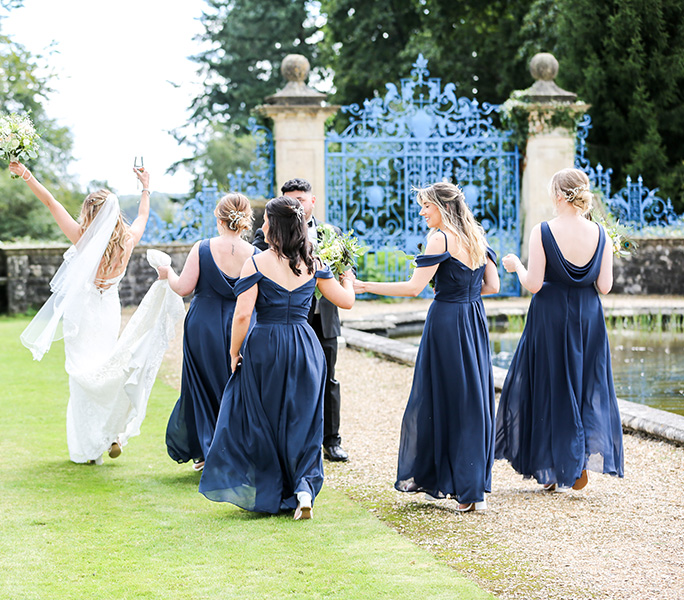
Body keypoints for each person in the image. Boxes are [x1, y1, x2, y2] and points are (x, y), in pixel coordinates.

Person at [11, 161, 184, 465]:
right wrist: (145, 187)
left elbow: (51, 202)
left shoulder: (82, 237)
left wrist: (27, 175)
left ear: (90, 214)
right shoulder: (128, 240)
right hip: (108, 310)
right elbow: (143, 215)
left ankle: (90, 447)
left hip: (83, 311)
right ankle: (113, 434)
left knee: (81, 375)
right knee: (107, 367)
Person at [199, 196, 355, 520]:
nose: (263, 225)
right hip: (305, 347)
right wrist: (349, 278)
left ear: (276, 227)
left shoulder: (256, 263)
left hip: (266, 345)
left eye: (267, 221)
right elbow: (346, 301)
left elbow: (242, 316)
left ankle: (271, 486)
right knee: (304, 420)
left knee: (264, 419)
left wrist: (233, 353)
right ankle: (303, 489)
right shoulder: (315, 264)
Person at [354, 182, 500, 512]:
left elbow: (413, 287)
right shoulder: (476, 236)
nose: (422, 213)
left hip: (447, 322)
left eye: (426, 207)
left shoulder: (441, 238)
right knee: (471, 398)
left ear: (444, 208)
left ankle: (458, 485)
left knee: (445, 398)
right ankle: (473, 487)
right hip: (473, 319)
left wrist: (364, 285)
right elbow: (493, 285)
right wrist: (467, 294)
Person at [495, 168, 623, 491]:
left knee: (549, 385)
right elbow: (605, 286)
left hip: (550, 314)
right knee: (582, 384)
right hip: (587, 317)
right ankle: (575, 462)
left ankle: (551, 466)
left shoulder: (542, 231)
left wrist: (516, 267)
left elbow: (534, 284)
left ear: (557, 195)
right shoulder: (602, 234)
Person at [158, 193, 257, 471]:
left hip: (204, 325)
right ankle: (236, 449)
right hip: (241, 324)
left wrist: (168, 274)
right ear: (245, 219)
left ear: (219, 217)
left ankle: (205, 450)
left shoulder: (202, 248)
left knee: (200, 386)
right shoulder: (256, 255)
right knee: (235, 385)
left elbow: (183, 288)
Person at [253, 179, 349, 462]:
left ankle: (331, 441)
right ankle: (292, 442)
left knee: (328, 378)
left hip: (325, 317)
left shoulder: (333, 232)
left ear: (313, 201)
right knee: (288, 381)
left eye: (301, 200)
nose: (297, 205)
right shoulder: (266, 234)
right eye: (291, 200)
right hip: (290, 319)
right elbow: (259, 259)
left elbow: (347, 266)